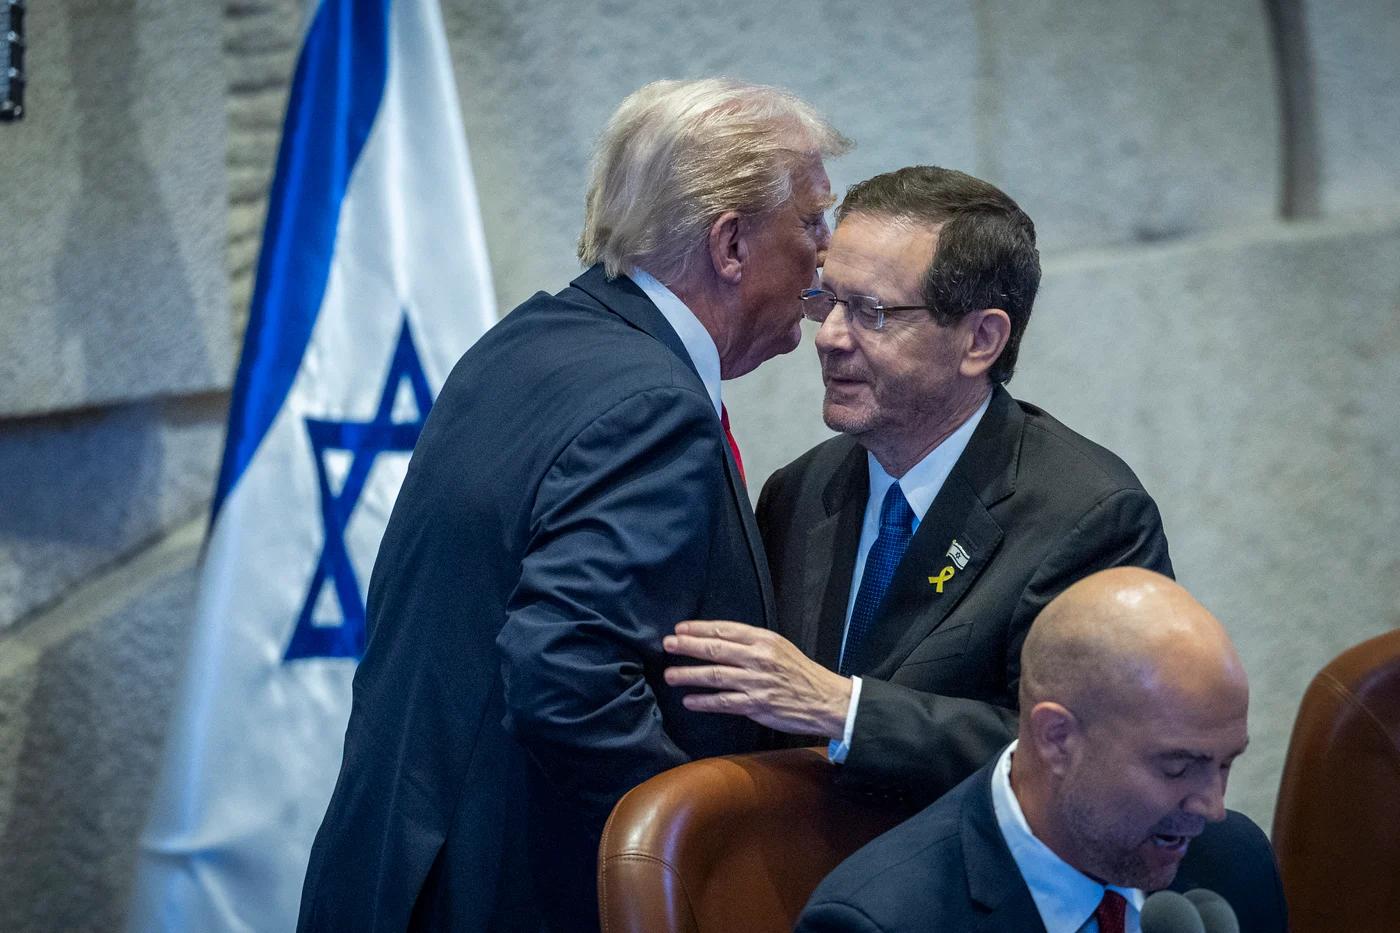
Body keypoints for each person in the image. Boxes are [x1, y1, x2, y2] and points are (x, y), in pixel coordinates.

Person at [297, 78, 850, 932]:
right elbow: (567, 677)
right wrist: (696, 849)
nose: (829, 254)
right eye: (813, 221)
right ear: (731, 242)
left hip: (398, 875)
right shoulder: (654, 407)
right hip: (509, 893)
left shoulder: (528, 340)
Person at [664, 165, 1172, 803]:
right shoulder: (798, 492)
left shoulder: (1089, 517)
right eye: (828, 299)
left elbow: (1087, 759)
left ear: (980, 339)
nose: (830, 337)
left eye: (871, 313)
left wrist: (846, 711)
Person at [794, 568, 1288, 933]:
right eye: (1179, 768)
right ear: (1058, 739)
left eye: (1226, 764)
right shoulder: (881, 921)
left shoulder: (1236, 864)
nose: (1212, 807)